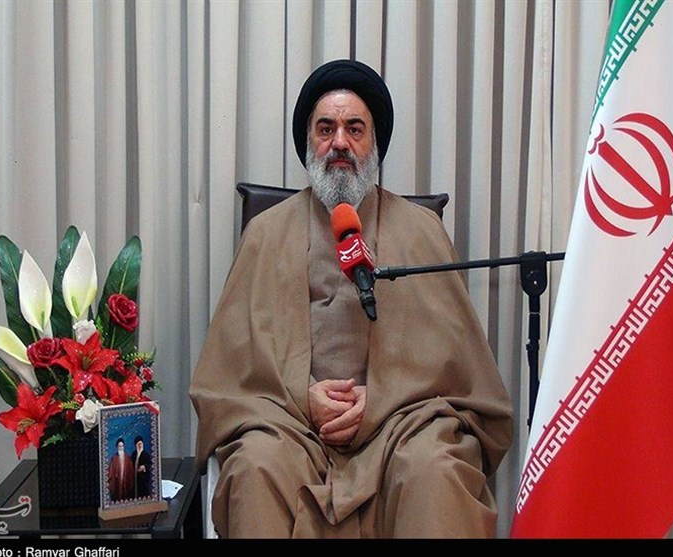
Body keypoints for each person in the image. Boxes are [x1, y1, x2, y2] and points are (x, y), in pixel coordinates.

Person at [189, 59, 513, 538]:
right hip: (290, 427)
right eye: (326, 129)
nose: (339, 142)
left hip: (402, 427)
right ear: (309, 143)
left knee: (435, 468)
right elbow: (229, 376)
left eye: (354, 129)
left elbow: (460, 376)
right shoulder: (265, 233)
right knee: (255, 464)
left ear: (373, 143)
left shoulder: (421, 231)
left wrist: (379, 400)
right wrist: (302, 397)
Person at [107, 437, 134, 502]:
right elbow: (110, 472)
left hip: (126, 481)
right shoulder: (114, 458)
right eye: (119, 446)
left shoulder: (128, 458)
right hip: (117, 482)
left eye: (122, 446)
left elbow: (131, 472)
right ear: (117, 447)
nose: (121, 447)